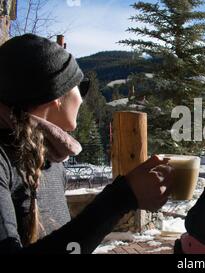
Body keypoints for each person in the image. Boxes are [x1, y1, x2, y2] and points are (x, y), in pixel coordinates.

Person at [0, 34, 174, 254]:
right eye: (81, 86)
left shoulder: (51, 160)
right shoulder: (4, 162)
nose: (82, 99)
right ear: (57, 94)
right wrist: (120, 198)